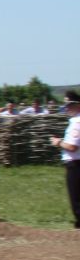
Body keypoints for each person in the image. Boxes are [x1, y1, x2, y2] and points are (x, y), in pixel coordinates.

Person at [59, 91, 80, 229]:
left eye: (68, 104)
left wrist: (58, 142)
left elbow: (72, 146)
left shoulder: (77, 123)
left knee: (76, 197)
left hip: (75, 164)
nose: (66, 108)